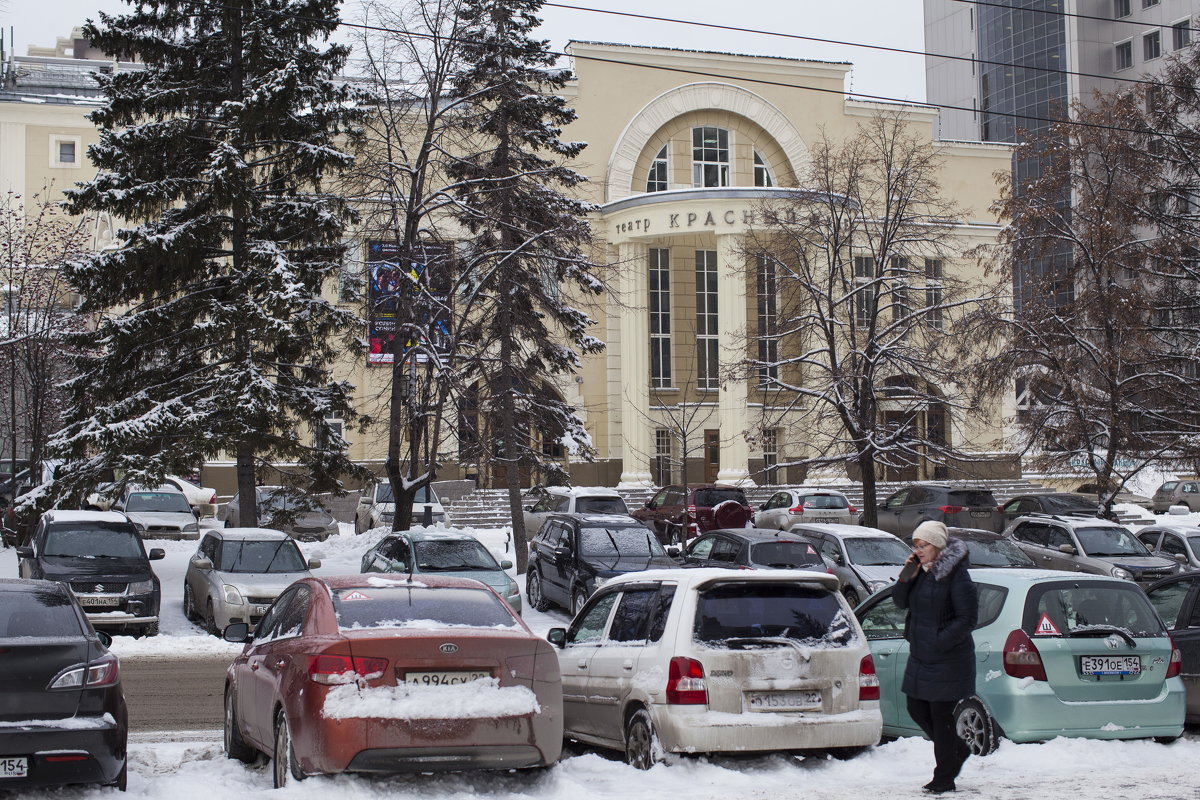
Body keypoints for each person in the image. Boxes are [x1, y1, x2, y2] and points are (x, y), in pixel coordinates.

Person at [893, 520, 978, 794]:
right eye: (916, 546)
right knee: (916, 709)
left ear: (938, 546)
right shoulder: (921, 572)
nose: (918, 550)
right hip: (921, 655)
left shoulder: (956, 575)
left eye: (923, 545)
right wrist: (907, 573)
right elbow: (899, 601)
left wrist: (939, 641)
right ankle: (958, 750)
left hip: (948, 658)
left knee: (940, 718)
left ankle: (944, 778)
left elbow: (967, 618)